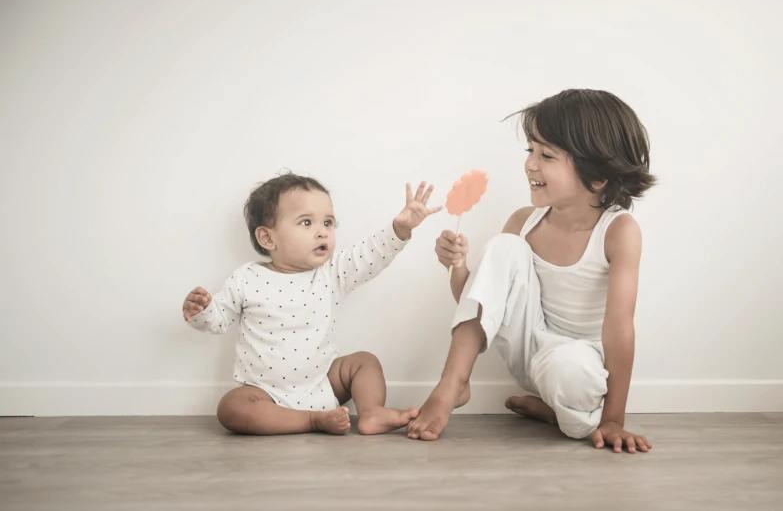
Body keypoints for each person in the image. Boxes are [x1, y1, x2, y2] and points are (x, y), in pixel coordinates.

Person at [407, 89, 656, 454]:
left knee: (573, 380)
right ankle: (453, 383)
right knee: (504, 246)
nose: (531, 164)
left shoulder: (618, 232)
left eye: (547, 155)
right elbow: (482, 306)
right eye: (530, 151)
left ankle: (557, 412)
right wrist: (458, 267)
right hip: (528, 348)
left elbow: (619, 330)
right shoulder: (524, 222)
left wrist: (614, 419)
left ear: (598, 177)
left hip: (577, 363)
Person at [183, 172, 441, 435]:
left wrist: (400, 228)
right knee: (232, 407)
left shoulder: (330, 273)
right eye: (306, 222)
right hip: (265, 393)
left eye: (328, 223)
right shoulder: (247, 277)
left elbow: (369, 255)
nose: (322, 232)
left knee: (365, 362)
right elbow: (219, 318)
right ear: (268, 239)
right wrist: (203, 311)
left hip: (323, 383)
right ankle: (312, 420)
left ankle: (371, 411)